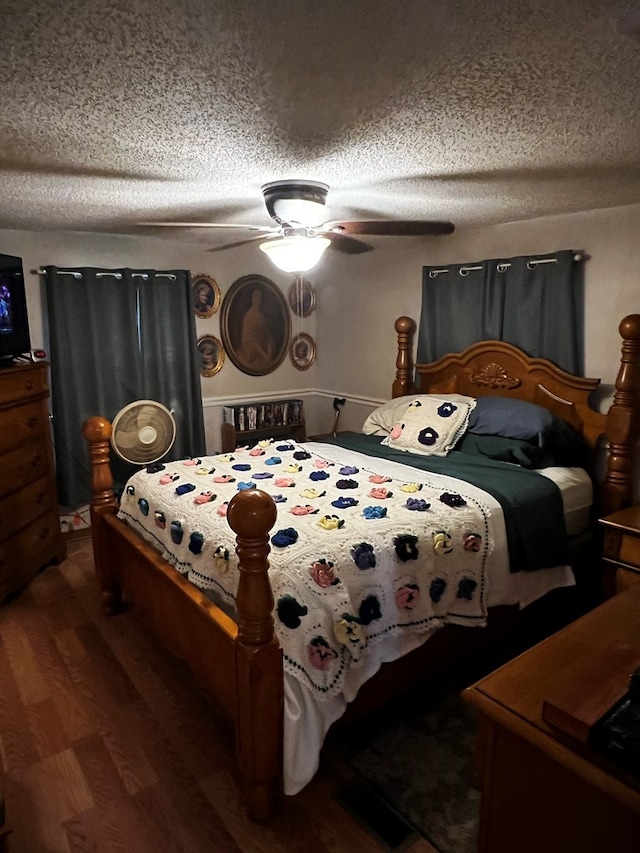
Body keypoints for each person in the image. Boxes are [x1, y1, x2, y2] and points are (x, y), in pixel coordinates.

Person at [236, 288, 275, 371]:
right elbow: (247, 340)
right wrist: (262, 353)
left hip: (262, 352)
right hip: (251, 353)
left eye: (260, 296)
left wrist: (269, 350)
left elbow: (266, 335)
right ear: (252, 298)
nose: (258, 299)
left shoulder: (261, 316)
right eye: (256, 296)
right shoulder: (249, 316)